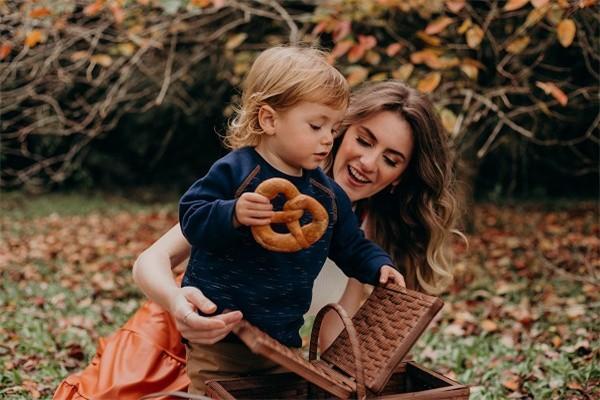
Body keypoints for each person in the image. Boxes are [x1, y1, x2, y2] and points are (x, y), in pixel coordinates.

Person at [53, 79, 461, 400]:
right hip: (179, 332)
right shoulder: (264, 185)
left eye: (391, 159)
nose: (368, 163)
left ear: (401, 177)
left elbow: (335, 356)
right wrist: (178, 305)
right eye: (364, 140)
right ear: (338, 130)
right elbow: (148, 262)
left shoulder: (367, 248)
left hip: (257, 365)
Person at [174, 45, 403, 394]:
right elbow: (192, 216)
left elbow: (350, 244)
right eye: (316, 125)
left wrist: (377, 265)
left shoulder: (326, 194)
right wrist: (232, 214)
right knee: (214, 392)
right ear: (269, 119)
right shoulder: (236, 171)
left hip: (282, 340)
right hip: (221, 335)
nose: (328, 139)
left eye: (333, 127)